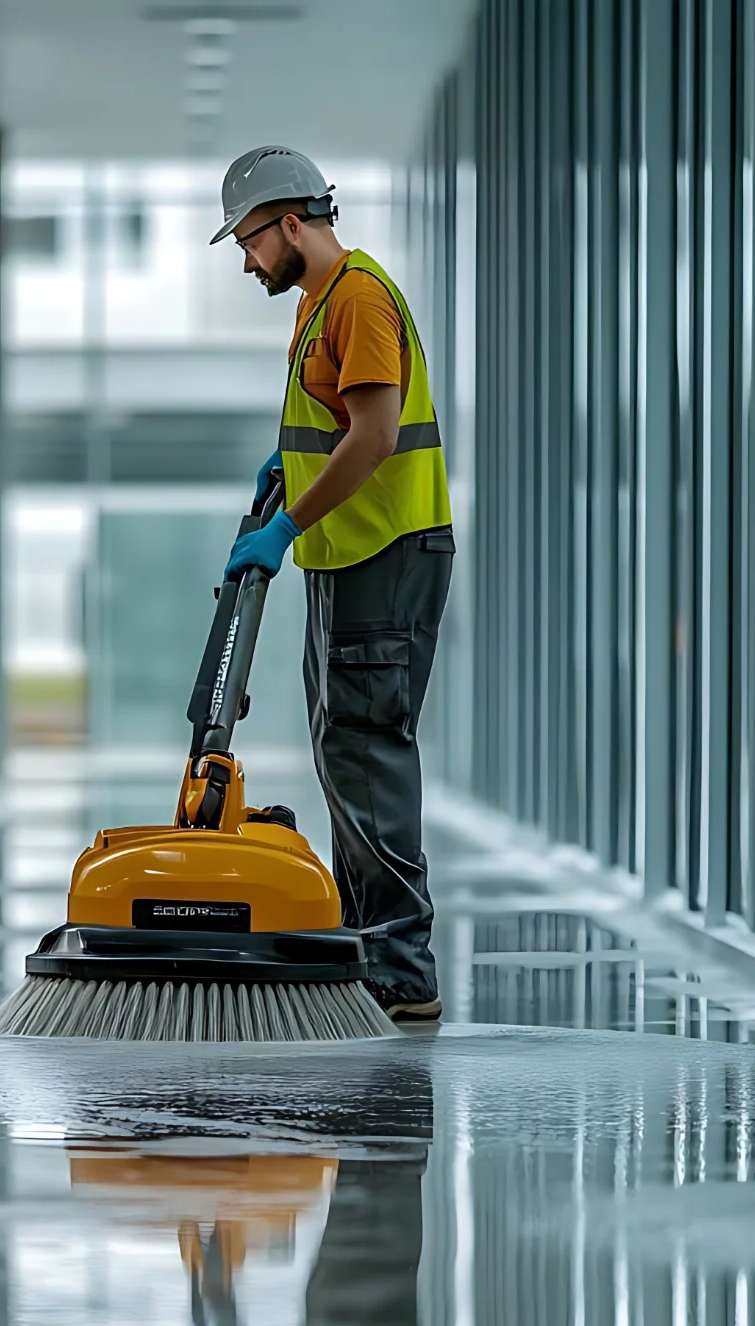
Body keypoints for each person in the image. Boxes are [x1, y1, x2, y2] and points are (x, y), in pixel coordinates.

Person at [212, 145, 454, 1022]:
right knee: (342, 747)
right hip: (347, 555)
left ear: (290, 224)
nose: (248, 262)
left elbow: (377, 435)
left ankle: (400, 965)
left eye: (250, 242)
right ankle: (367, 945)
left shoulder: (357, 297)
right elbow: (340, 419)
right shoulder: (318, 304)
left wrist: (284, 527)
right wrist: (291, 465)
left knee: (367, 748)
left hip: (383, 552)